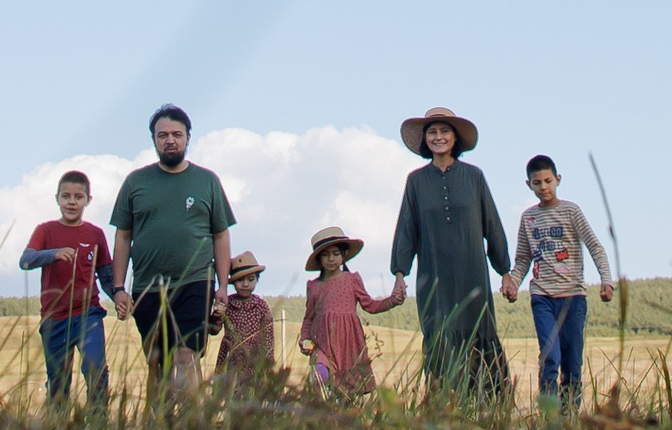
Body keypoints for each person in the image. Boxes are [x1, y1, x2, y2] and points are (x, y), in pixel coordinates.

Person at [108, 103, 234, 399]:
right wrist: (118, 288)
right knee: (158, 362)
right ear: (153, 140)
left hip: (195, 282)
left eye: (177, 134)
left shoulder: (207, 181)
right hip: (148, 287)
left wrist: (223, 286)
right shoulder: (135, 182)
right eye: (162, 135)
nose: (170, 140)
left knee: (186, 355)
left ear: (188, 138)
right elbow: (123, 237)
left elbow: (221, 234)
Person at [388, 106, 513, 404]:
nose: (438, 137)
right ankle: (445, 407)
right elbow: (407, 228)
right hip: (434, 276)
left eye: (445, 131)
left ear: (456, 138)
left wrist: (505, 271)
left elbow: (491, 223)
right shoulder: (416, 181)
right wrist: (400, 274)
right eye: (432, 132)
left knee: (479, 331)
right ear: (425, 140)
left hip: (473, 274)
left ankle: (489, 407)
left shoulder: (474, 177)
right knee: (439, 334)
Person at [499, 154, 614, 410]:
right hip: (542, 297)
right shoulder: (529, 218)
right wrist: (513, 283)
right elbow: (523, 258)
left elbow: (595, 246)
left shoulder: (570, 211)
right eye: (537, 182)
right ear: (528, 184)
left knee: (572, 362)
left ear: (558, 180)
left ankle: (569, 416)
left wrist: (606, 280)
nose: (544, 187)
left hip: (573, 297)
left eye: (548, 181)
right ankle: (549, 415)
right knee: (550, 356)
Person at [17, 169, 118, 405]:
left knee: (95, 370)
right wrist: (53, 254)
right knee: (58, 381)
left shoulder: (95, 234)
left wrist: (118, 296)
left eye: (78, 197)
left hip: (88, 314)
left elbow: (105, 274)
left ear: (88, 200)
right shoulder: (46, 230)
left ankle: (98, 426)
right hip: (55, 317)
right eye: (66, 197)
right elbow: (25, 260)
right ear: (57, 199)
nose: (71, 202)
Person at [297, 224, 405, 398]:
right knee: (319, 375)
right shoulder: (314, 286)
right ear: (319, 260)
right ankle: (317, 411)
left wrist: (392, 301)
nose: (331, 259)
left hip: (349, 343)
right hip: (322, 342)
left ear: (344, 255)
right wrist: (304, 338)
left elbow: (370, 305)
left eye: (336, 254)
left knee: (347, 391)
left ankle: (342, 419)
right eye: (325, 255)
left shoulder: (352, 279)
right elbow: (309, 317)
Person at [214, 252, 277, 390]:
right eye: (240, 280)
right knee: (230, 391)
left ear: (256, 280)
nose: (245, 284)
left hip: (254, 357)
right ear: (233, 282)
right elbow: (215, 328)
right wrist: (218, 314)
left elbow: (268, 335)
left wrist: (267, 359)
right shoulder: (228, 303)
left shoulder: (260, 306)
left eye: (250, 279)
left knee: (252, 392)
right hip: (231, 355)